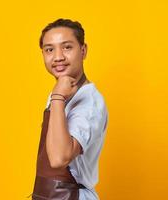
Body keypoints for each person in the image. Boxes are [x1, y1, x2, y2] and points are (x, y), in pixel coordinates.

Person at [32, 18, 108, 200]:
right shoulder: (63, 90)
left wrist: (57, 97)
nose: (58, 56)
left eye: (67, 47)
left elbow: (59, 158)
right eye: (49, 49)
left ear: (83, 50)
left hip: (71, 195)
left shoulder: (89, 102)